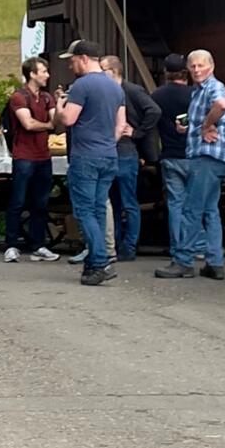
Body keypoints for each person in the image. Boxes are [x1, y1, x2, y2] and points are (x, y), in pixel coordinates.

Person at [55, 42, 126, 287]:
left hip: (85, 156)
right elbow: (121, 125)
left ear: (84, 58)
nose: (69, 63)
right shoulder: (115, 87)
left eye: (72, 59)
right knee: (98, 208)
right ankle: (96, 262)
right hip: (108, 154)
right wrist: (106, 141)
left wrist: (59, 105)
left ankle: (100, 261)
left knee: (84, 211)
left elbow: (69, 119)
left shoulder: (82, 85)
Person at [155, 49, 225, 280]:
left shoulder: (211, 86)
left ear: (212, 66)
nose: (197, 70)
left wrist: (207, 125)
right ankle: (215, 263)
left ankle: (183, 262)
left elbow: (222, 104)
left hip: (207, 157)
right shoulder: (197, 91)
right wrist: (190, 129)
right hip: (213, 157)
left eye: (201, 66)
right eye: (193, 66)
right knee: (210, 210)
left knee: (190, 209)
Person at [101, 54, 161, 262]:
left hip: (127, 151)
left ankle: (129, 246)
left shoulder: (132, 90)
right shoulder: (108, 91)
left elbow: (154, 110)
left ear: (114, 71)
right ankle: (114, 244)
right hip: (112, 150)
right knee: (114, 202)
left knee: (128, 202)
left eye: (103, 69)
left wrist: (137, 132)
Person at [4, 56, 59, 263]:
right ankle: (11, 245)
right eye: (43, 71)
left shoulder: (46, 97)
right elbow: (28, 124)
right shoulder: (19, 97)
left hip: (43, 156)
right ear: (32, 74)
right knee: (17, 201)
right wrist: (48, 125)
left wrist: (60, 103)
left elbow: (57, 120)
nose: (47, 75)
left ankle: (39, 245)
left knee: (41, 203)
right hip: (24, 156)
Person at [152, 54, 191, 257]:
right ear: (185, 72)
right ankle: (196, 246)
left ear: (166, 72)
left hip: (169, 153)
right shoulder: (194, 94)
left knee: (175, 203)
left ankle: (178, 247)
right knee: (195, 203)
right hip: (193, 155)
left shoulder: (157, 96)